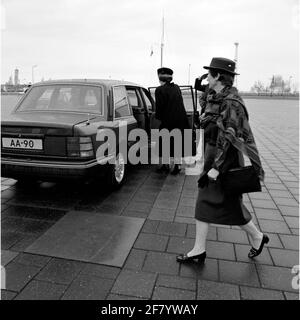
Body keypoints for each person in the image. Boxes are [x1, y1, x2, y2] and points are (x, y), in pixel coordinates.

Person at [176, 57, 269, 264]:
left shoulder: (231, 102)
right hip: (213, 154)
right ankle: (257, 236)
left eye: (210, 73)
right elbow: (204, 101)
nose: (207, 77)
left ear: (218, 76)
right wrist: (201, 83)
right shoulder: (215, 96)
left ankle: (199, 250)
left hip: (224, 158)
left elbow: (230, 135)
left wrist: (216, 168)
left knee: (205, 200)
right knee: (230, 204)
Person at [155, 67, 190, 174]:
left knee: (164, 141)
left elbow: (159, 109)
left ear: (160, 78)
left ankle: (164, 165)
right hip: (181, 121)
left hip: (168, 121)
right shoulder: (176, 88)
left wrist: (158, 118)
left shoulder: (159, 90)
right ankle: (177, 166)